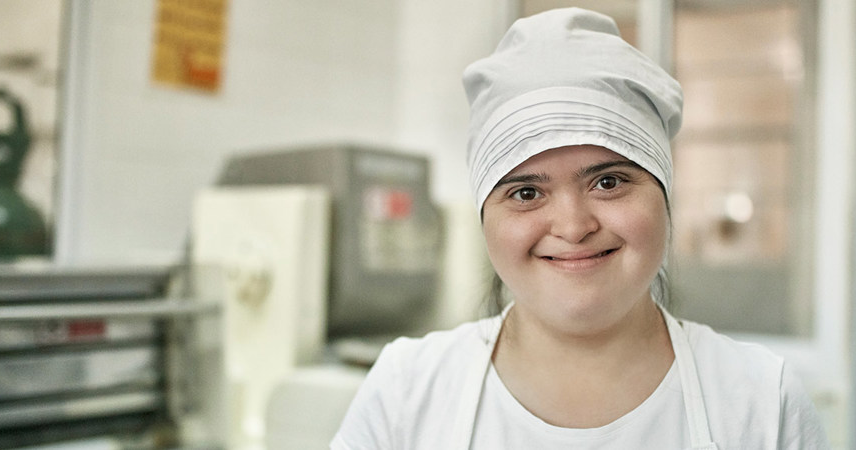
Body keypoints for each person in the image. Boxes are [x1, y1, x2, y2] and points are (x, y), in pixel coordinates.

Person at [331, 7, 829, 449]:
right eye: (527, 193)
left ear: (665, 197)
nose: (572, 226)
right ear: (485, 218)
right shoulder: (407, 392)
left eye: (608, 182)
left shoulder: (762, 402)